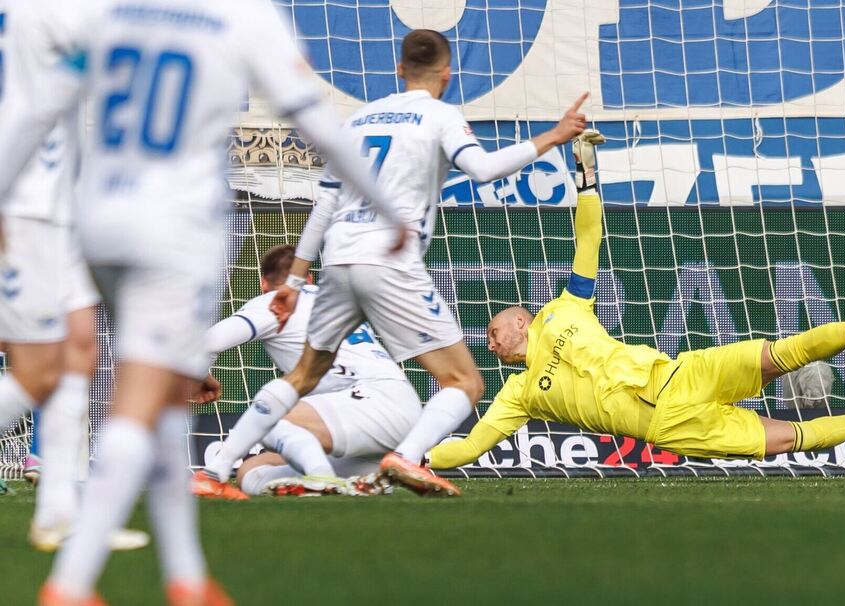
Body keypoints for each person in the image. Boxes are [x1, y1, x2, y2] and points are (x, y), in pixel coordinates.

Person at [0, 1, 408, 603]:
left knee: (162, 398)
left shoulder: (116, 12)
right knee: (141, 399)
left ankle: (187, 578)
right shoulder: (242, 15)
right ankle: (71, 582)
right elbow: (317, 124)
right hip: (173, 228)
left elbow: (39, 107)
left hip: (95, 217)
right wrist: (386, 204)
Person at [194, 29, 588, 499]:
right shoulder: (440, 115)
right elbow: (483, 169)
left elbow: (324, 205)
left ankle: (212, 474)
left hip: (338, 258)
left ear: (399, 70)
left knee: (301, 376)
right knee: (464, 381)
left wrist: (295, 280)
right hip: (389, 259)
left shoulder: (359, 119)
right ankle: (406, 455)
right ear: (446, 74)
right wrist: (556, 135)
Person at [428, 130, 845, 471]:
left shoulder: (564, 308)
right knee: (789, 438)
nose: (490, 345)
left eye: (493, 332)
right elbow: (471, 447)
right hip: (671, 423)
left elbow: (588, 240)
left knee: (775, 355)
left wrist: (586, 174)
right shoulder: (518, 395)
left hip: (678, 372)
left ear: (521, 320)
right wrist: (418, 458)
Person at [0, 0, 148, 553]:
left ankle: (60, 512)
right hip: (23, 206)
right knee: (38, 371)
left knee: (81, 347)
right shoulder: (42, 13)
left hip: (59, 206)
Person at [202, 245, 420, 497]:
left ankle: (321, 478)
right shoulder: (334, 298)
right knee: (251, 470)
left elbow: (209, 342)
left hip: (368, 402)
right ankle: (348, 484)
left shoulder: (274, 302)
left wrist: (201, 377)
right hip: (399, 409)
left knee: (265, 417)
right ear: (309, 278)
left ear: (263, 283)